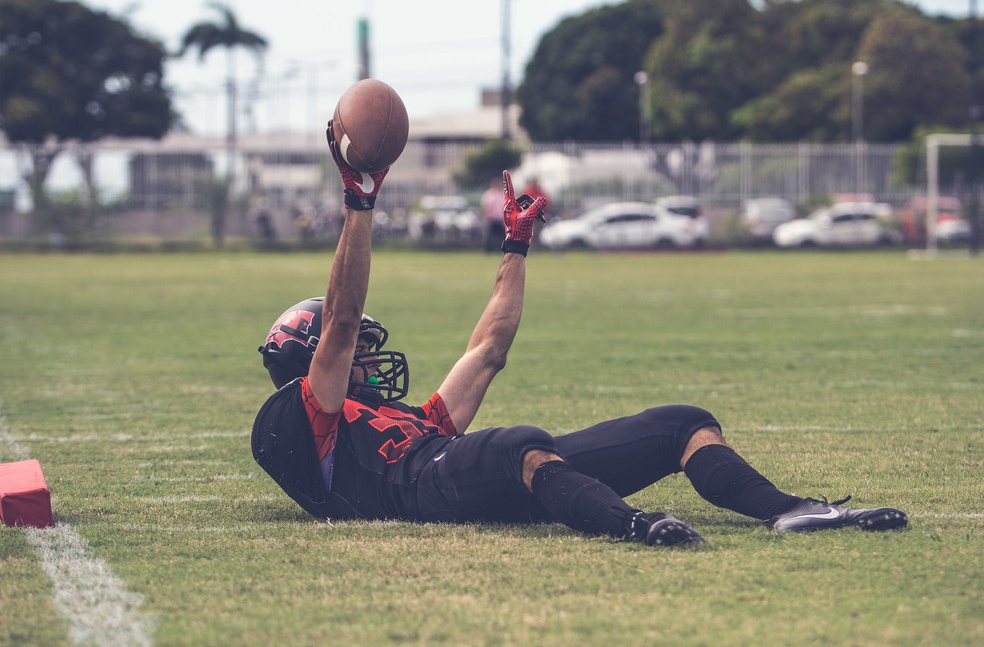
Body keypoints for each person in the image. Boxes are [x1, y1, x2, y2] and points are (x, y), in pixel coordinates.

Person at [252, 123, 908, 547]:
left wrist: (515, 244)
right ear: (313, 359)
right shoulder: (316, 421)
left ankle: (791, 510)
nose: (368, 354)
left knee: (682, 423)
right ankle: (635, 527)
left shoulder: (404, 418)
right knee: (514, 445)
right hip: (432, 486)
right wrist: (359, 202)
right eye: (357, 348)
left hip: (467, 475)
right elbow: (339, 320)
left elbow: (488, 351)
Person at [480, 176, 505, 253]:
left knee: (501, 236)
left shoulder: (502, 194)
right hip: (491, 218)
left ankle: (501, 249)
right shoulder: (488, 194)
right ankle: (488, 250)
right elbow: (485, 205)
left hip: (500, 218)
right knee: (489, 236)